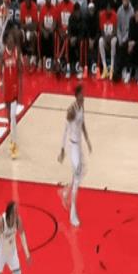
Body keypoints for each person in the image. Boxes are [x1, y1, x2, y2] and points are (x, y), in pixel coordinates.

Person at [58, 85, 92, 227]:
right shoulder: (71, 110)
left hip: (79, 146)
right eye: (82, 94)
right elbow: (65, 130)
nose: (84, 96)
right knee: (77, 179)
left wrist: (88, 140)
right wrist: (62, 150)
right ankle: (72, 214)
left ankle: (65, 193)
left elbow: (82, 124)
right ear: (77, 95)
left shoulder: (81, 106)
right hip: (72, 147)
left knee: (82, 171)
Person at [0, 30, 22, 160]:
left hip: (14, 87)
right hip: (6, 88)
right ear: (6, 41)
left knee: (13, 117)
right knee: (9, 116)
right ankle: (11, 133)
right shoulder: (3, 53)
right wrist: (1, 82)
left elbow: (20, 71)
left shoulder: (16, 52)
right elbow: (1, 68)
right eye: (9, 39)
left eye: (13, 40)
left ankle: (14, 146)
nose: (11, 41)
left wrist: (20, 90)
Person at [98, 2, 118, 80]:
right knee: (100, 41)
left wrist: (109, 38)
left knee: (113, 42)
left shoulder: (115, 15)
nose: (109, 10)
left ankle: (112, 68)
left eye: (110, 8)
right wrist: (105, 39)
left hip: (113, 37)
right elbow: (102, 31)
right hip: (105, 37)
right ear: (105, 9)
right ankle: (105, 68)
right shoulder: (102, 15)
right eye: (107, 8)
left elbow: (115, 31)